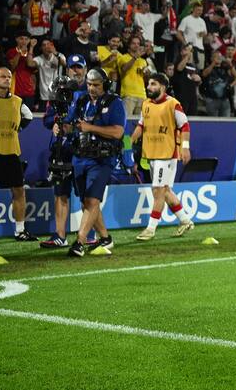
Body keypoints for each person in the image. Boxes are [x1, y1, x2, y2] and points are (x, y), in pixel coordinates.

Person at [65, 67, 124, 257]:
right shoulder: (81, 100)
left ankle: (79, 242)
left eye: (96, 85)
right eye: (89, 84)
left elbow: (118, 132)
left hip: (102, 158)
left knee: (92, 199)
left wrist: (89, 127)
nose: (91, 88)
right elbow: (70, 124)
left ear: (105, 85)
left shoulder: (114, 102)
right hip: (80, 156)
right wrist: (61, 127)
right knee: (86, 202)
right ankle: (105, 238)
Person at [131, 73, 196, 240]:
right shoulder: (146, 104)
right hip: (151, 154)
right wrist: (129, 142)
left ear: (163, 87)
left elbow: (185, 125)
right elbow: (141, 125)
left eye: (153, 84)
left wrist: (185, 148)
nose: (149, 87)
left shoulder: (173, 104)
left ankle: (151, 229)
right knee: (165, 191)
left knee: (158, 190)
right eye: (148, 84)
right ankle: (185, 220)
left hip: (167, 154)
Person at [0, 66, 37, 243]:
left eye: (9, 77)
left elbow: (28, 116)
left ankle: (20, 230)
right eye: (3, 76)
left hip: (12, 152)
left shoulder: (18, 101)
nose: (7, 79)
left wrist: (18, 129)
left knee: (19, 191)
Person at [40, 55, 89, 249]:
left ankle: (89, 235)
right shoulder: (58, 90)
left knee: (87, 195)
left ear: (85, 70)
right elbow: (47, 118)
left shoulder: (92, 90)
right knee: (60, 194)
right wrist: (54, 124)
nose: (76, 71)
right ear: (67, 69)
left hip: (84, 149)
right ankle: (60, 235)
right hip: (62, 148)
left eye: (79, 67)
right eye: (72, 67)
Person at [117, 36, 150, 117]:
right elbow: (124, 69)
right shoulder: (123, 57)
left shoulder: (143, 61)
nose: (136, 45)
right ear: (129, 45)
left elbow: (146, 80)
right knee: (126, 121)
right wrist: (135, 57)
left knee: (140, 123)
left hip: (142, 95)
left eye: (138, 43)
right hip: (128, 95)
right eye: (133, 43)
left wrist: (147, 74)